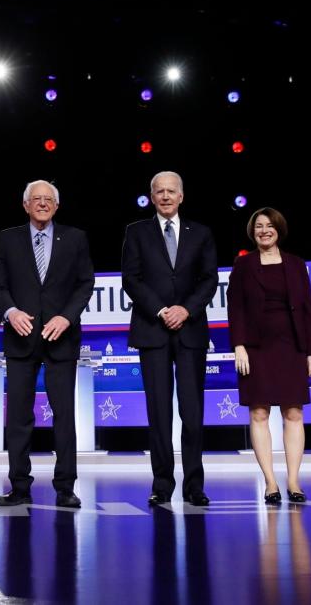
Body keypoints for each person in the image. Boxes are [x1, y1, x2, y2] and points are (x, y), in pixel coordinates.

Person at [0, 180, 94, 509]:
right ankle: (19, 486)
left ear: (57, 207)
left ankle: (65, 487)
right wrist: (11, 311)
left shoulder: (75, 238)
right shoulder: (8, 238)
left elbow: (85, 283)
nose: (43, 204)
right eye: (37, 199)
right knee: (19, 416)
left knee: (64, 416)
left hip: (61, 338)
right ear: (25, 205)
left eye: (49, 199)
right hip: (21, 339)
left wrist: (67, 317)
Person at [121, 171, 219, 507]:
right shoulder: (136, 232)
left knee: (192, 413)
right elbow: (131, 280)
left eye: (171, 191)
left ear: (181, 196)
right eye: (159, 191)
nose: (165, 196)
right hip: (153, 330)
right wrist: (163, 310)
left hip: (190, 331)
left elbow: (208, 280)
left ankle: (194, 485)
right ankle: (162, 483)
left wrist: (185, 310)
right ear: (151, 196)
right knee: (158, 413)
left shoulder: (201, 233)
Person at [227, 207, 311, 505]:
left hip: (292, 345)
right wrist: (239, 345)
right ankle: (270, 483)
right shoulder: (243, 266)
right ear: (252, 231)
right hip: (255, 348)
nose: (264, 230)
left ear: (279, 229)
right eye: (259, 226)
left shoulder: (296, 265)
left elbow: (308, 310)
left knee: (293, 413)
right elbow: (236, 308)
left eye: (269, 225)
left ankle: (293, 481)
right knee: (259, 413)